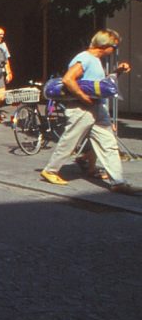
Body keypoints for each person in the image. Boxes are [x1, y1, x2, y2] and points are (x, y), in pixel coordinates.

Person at [41, 29, 140, 195]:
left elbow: (99, 85)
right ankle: (50, 170)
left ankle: (118, 182)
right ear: (105, 45)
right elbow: (68, 79)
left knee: (108, 144)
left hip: (96, 108)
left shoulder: (95, 60)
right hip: (82, 109)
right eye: (115, 47)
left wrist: (117, 72)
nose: (114, 51)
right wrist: (82, 97)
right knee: (70, 141)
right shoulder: (85, 58)